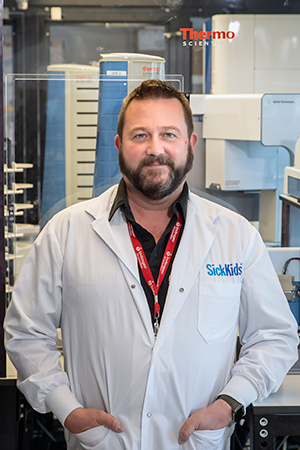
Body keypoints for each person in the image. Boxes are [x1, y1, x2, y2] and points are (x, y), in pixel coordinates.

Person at [4, 79, 298, 450]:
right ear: (118, 146)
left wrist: (229, 403)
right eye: (140, 135)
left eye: (169, 134)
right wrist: (67, 409)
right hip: (103, 442)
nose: (155, 149)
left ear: (191, 144)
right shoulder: (66, 232)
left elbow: (275, 337)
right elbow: (26, 333)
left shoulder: (234, 236)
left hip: (197, 441)